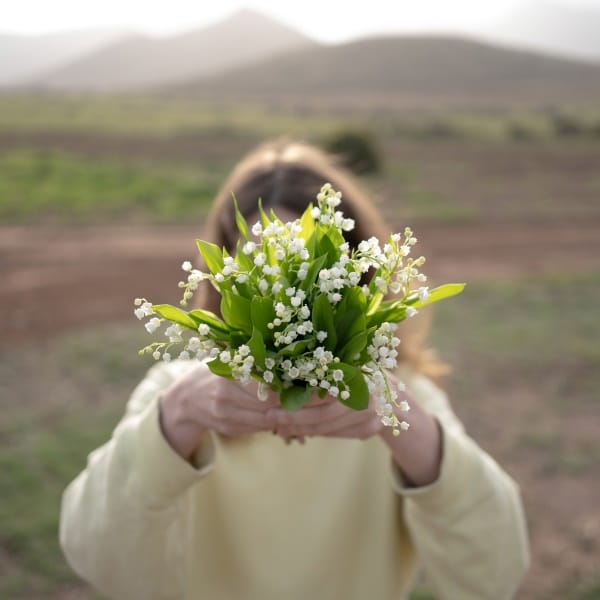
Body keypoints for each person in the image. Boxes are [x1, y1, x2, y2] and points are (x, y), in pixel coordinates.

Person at [59, 139, 530, 599]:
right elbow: (95, 555)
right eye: (262, 269)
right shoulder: (181, 394)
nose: (285, 291)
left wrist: (401, 423)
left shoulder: (396, 400)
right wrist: (176, 418)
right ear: (225, 274)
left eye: (307, 263)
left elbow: (496, 574)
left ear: (353, 272)